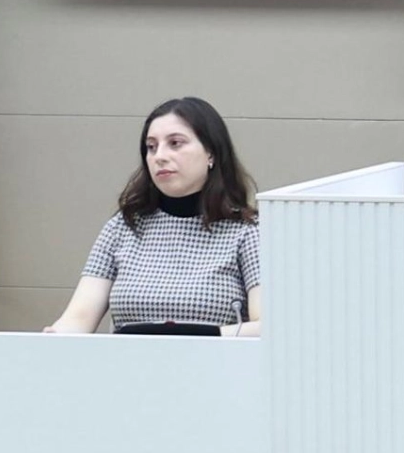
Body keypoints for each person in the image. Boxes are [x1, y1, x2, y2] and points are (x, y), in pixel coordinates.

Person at [45, 97, 262, 336]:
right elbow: (78, 318)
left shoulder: (248, 231)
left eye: (175, 143)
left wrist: (199, 336)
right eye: (151, 147)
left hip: (212, 360)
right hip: (127, 360)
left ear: (211, 152)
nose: (159, 156)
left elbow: (269, 327)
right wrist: (53, 337)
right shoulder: (122, 227)